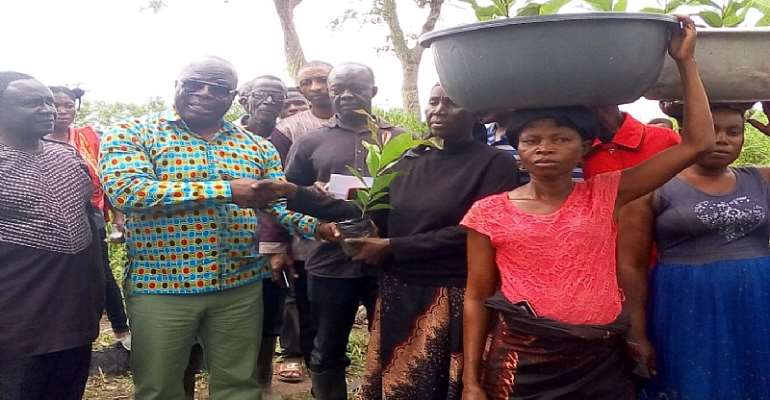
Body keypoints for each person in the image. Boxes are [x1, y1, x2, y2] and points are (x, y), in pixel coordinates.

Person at [460, 17, 714, 399]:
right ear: (519, 152)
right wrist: (471, 381)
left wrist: (685, 62)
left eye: (561, 139)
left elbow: (696, 143)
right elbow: (476, 297)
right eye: (533, 140)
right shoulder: (488, 212)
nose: (545, 148)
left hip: (599, 360)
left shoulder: (606, 193)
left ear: (583, 148)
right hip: (524, 361)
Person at [262, 83, 520, 399]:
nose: (439, 111)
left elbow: (470, 231)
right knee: (402, 381)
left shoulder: (496, 163)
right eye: (433, 102)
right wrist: (294, 194)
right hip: (399, 288)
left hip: (452, 293)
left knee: (442, 383)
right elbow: (366, 209)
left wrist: (391, 247)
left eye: (451, 103)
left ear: (476, 112)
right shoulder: (409, 160)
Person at [98, 57, 319, 400]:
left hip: (238, 286)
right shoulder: (132, 132)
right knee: (159, 387)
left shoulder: (256, 145)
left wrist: (321, 228)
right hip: (161, 286)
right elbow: (129, 191)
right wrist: (228, 189)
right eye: (193, 84)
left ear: (232, 96)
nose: (203, 93)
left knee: (238, 386)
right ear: (177, 85)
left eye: (217, 88)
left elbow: (276, 205)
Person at [633, 104, 770, 399]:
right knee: (696, 383)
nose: (721, 139)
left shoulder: (761, 179)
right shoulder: (653, 187)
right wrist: (637, 332)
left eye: (733, 132)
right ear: (687, 134)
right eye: (710, 130)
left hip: (758, 304)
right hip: (686, 307)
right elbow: (631, 265)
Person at [282, 62, 398, 399]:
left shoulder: (401, 140)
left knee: (393, 338)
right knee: (327, 344)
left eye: (357, 88)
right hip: (330, 262)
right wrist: (318, 218)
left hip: (388, 261)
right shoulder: (310, 142)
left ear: (373, 91)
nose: (346, 96)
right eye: (339, 90)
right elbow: (290, 200)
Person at [0, 72, 105, 400]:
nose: (47, 109)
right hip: (16, 322)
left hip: (73, 317)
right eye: (31, 103)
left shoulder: (67, 155)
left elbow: (89, 224)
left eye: (48, 101)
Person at [262, 61, 335, 384]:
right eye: (308, 82)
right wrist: (277, 244)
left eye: (324, 80)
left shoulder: (377, 126)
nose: (317, 87)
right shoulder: (289, 130)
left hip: (368, 241)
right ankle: (313, 369)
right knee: (308, 311)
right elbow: (275, 191)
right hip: (306, 241)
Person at [45, 86, 131, 348]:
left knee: (100, 270)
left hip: (89, 213)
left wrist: (118, 215)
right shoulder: (33, 138)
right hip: (47, 217)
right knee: (57, 274)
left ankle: (122, 331)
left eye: (68, 105)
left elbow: (108, 178)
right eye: (55, 105)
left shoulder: (88, 137)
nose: (62, 111)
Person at [238, 75, 292, 392]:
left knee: (270, 316)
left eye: (278, 96)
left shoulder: (285, 138)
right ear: (244, 98)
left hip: (272, 242)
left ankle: (264, 384)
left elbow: (286, 196)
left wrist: (277, 245)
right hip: (229, 245)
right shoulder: (225, 135)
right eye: (262, 95)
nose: (270, 102)